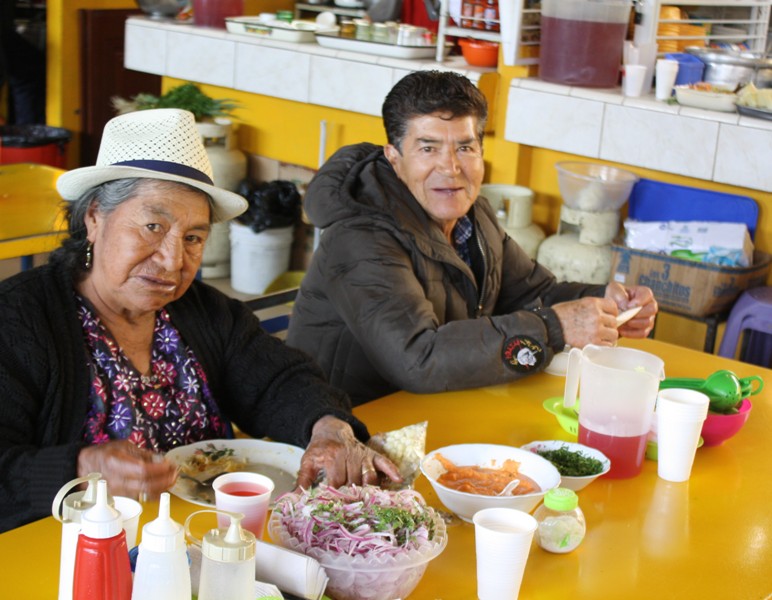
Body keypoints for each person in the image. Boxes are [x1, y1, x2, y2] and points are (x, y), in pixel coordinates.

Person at [0, 108, 399, 533]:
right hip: (71, 557)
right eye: (153, 225)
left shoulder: (204, 312)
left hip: (208, 539)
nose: (173, 260)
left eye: (193, 238)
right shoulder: (19, 320)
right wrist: (77, 467)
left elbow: (279, 381)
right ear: (95, 217)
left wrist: (328, 428)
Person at [286, 70, 658, 405]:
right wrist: (556, 326)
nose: (450, 168)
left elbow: (530, 294)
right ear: (394, 158)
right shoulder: (360, 235)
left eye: (465, 147)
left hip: (442, 404)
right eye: (428, 148)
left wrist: (601, 304)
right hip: (347, 426)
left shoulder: (472, 213)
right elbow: (419, 360)